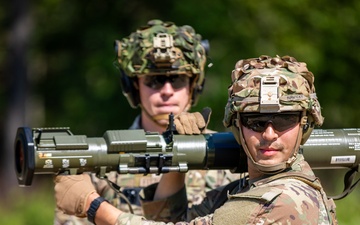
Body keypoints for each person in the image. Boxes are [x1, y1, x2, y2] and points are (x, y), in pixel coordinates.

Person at [54, 55, 338, 224]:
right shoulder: (248, 187)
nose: (268, 134)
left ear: (305, 124)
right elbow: (170, 221)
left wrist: (92, 205)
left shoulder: (282, 199)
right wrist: (178, 157)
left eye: (285, 120)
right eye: (255, 121)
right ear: (237, 125)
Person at [54, 19, 239, 224]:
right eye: (154, 80)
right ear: (133, 86)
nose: (167, 91)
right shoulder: (100, 161)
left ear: (194, 85)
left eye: (177, 79)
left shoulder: (229, 155)